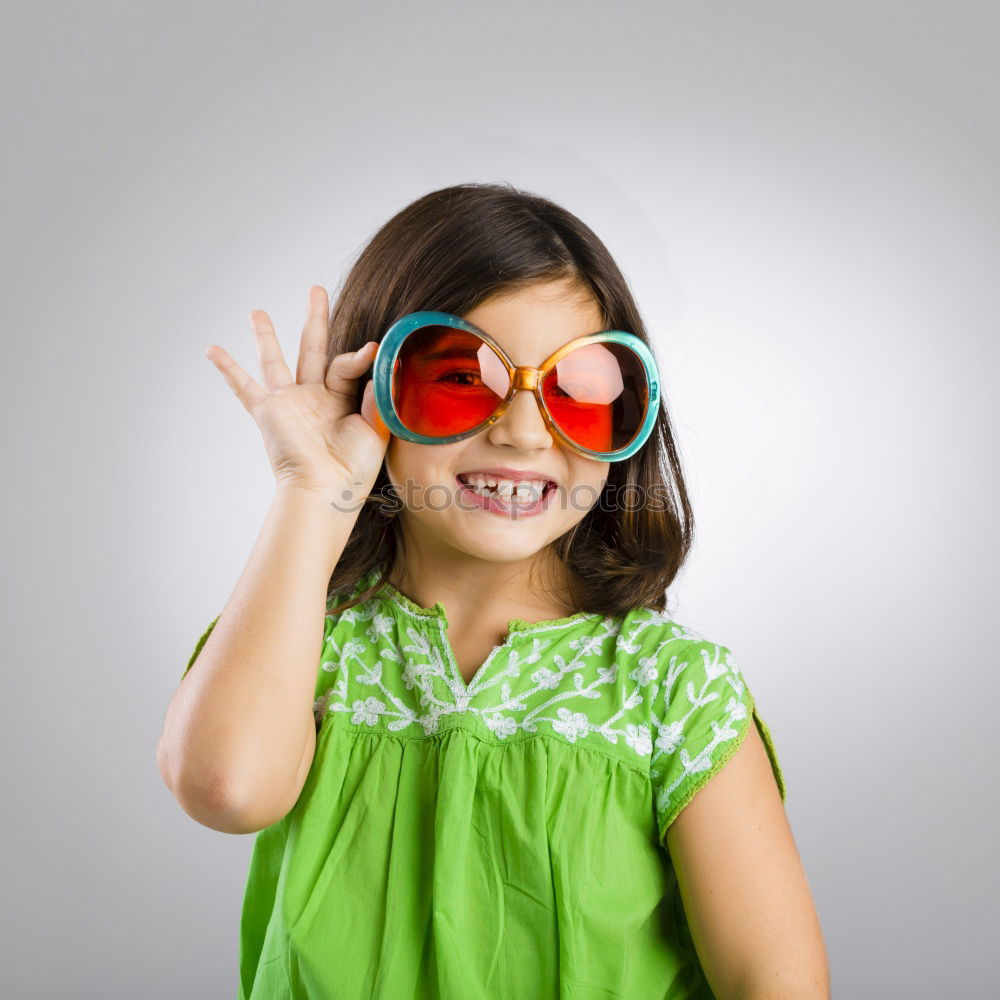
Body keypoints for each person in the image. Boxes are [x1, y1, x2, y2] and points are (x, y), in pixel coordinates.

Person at [157, 182, 830, 999]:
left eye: (579, 391)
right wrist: (313, 490)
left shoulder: (670, 690)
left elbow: (778, 984)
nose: (521, 431)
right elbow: (227, 789)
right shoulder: (310, 644)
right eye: (459, 381)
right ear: (373, 391)